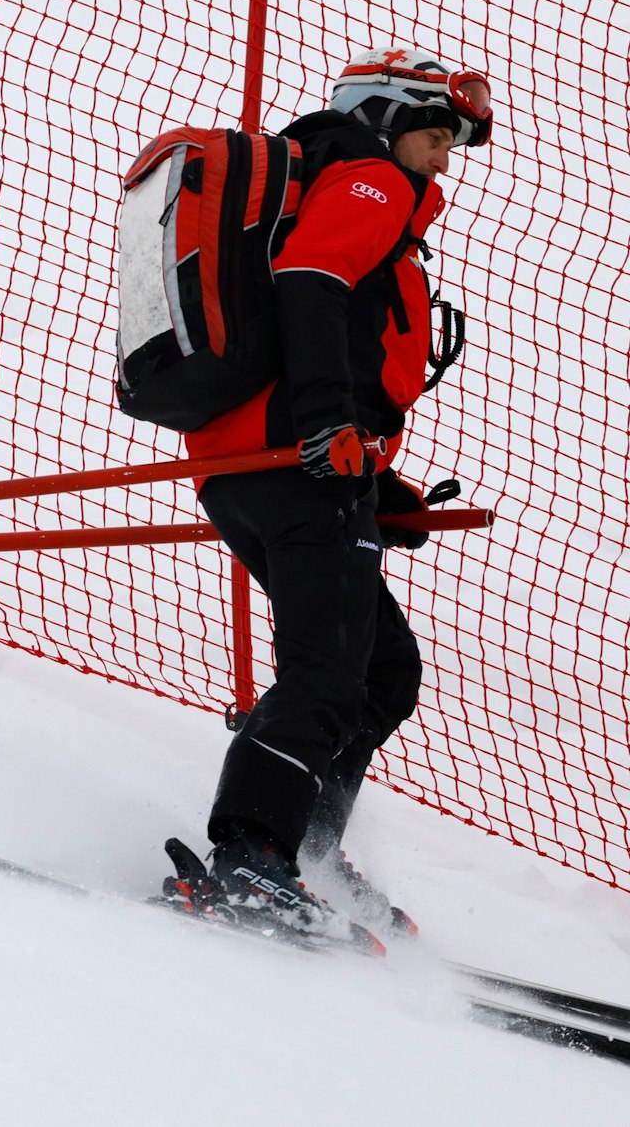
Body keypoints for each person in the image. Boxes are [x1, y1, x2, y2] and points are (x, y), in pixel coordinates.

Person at [171, 46, 491, 943]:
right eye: (435, 135)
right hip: (290, 461)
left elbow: (336, 339)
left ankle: (304, 842)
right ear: (388, 118)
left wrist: (376, 479)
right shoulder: (365, 177)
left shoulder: (355, 187)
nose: (442, 157)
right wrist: (322, 428)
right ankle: (250, 857)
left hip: (275, 464)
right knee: (328, 670)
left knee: (383, 667)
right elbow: (310, 282)